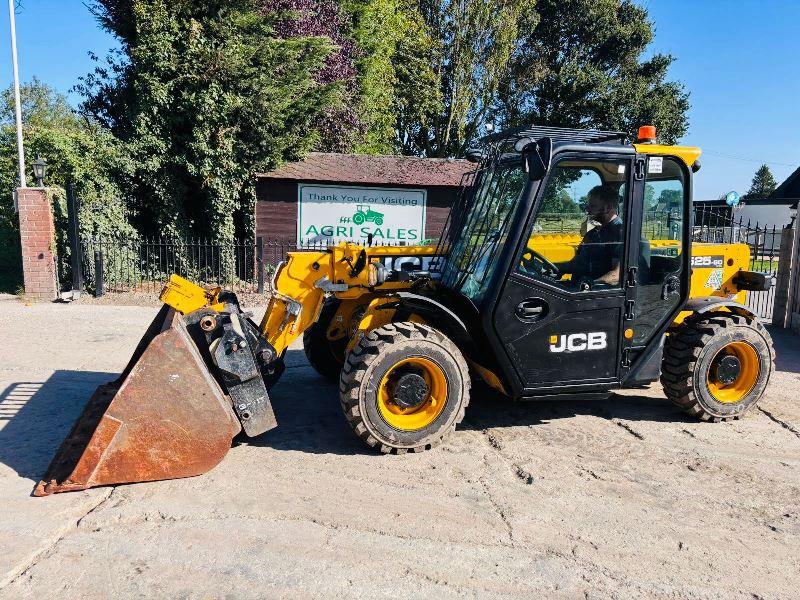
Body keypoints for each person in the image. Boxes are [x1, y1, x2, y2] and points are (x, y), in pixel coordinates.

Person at [565, 184, 624, 285]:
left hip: (597, 295)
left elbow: (616, 275)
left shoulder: (620, 234)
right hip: (576, 289)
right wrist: (552, 268)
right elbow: (576, 263)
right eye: (588, 205)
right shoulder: (593, 232)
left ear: (608, 208)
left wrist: (590, 284)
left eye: (592, 206)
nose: (587, 210)